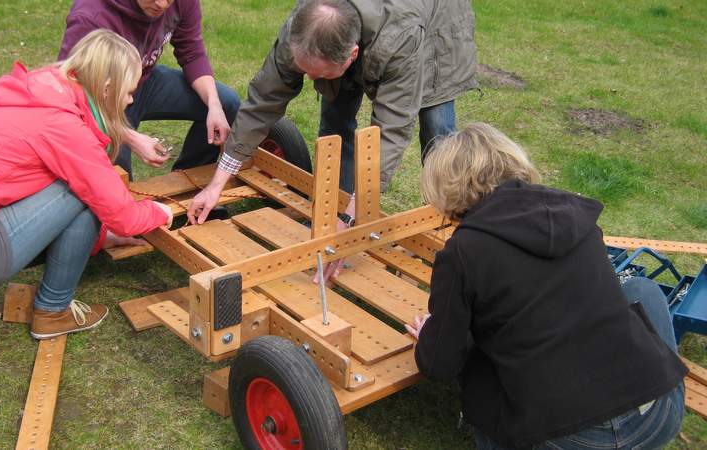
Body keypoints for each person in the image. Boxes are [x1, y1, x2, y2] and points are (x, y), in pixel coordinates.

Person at [407, 123, 687, 449]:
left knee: (481, 372)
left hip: (566, 438)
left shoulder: (463, 252)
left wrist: (435, 334)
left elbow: (439, 365)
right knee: (642, 289)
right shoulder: (574, 214)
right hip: (655, 418)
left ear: (447, 189)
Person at [0, 30, 173, 339]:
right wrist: (160, 212)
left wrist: (99, 238)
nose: (130, 100)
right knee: (83, 187)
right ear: (106, 88)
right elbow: (124, 217)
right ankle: (53, 310)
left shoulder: (42, 91)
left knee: (78, 181)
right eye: (129, 91)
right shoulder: (63, 127)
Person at [188, 0, 478, 226]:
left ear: (351, 56)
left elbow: (390, 132)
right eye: (307, 72)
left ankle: (452, 229)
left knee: (437, 131)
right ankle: (335, 214)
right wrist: (217, 184)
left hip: (432, 24)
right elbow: (264, 100)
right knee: (336, 119)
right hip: (360, 34)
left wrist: (355, 219)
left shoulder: (399, 38)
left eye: (318, 74)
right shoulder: (303, 27)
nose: (312, 81)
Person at [59, 0, 241, 180]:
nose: (162, 4)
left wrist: (214, 105)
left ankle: (192, 186)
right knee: (115, 168)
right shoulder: (90, 15)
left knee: (225, 104)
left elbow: (192, 52)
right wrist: (129, 137)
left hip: (145, 81)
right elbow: (73, 95)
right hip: (101, 100)